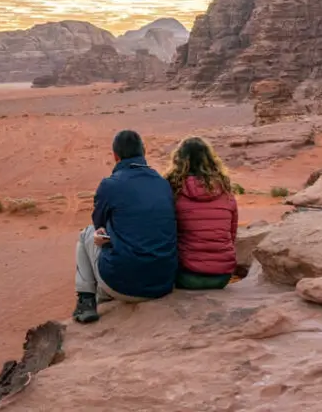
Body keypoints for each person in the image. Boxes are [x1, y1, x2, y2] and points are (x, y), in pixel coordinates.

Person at [72, 130, 177, 324]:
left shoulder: (110, 185)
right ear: (144, 152)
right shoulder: (162, 184)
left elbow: (99, 225)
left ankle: (86, 301)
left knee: (85, 234)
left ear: (115, 156)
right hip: (163, 283)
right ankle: (104, 293)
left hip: (124, 284)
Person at [167, 137, 238, 291]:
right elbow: (231, 234)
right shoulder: (225, 190)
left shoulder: (173, 191)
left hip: (187, 276)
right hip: (222, 276)